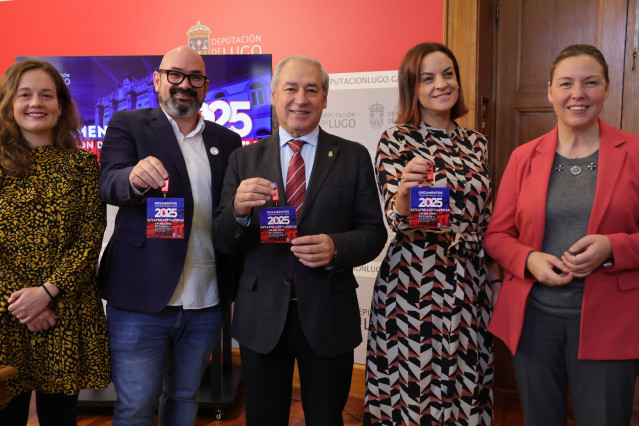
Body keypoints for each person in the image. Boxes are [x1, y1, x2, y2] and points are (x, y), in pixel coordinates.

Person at [212, 55, 387, 425]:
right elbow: (223, 240)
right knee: (264, 418)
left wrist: (336, 248)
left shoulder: (353, 156)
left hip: (327, 313)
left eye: (312, 90)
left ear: (325, 98)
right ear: (274, 95)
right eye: (291, 89)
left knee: (326, 417)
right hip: (262, 315)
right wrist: (238, 212)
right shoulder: (243, 159)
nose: (301, 99)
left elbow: (374, 233)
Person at [486, 44, 639, 425]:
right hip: (534, 322)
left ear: (606, 89)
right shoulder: (525, 157)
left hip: (613, 323)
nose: (578, 94)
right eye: (566, 83)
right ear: (549, 90)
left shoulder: (635, 153)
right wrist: (529, 259)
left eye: (590, 83)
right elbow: (497, 235)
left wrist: (612, 246)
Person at [98, 46, 242, 425]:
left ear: (205, 87)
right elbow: (109, 182)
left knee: (184, 399)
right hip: (139, 299)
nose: (184, 85)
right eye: (175, 75)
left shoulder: (227, 142)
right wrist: (131, 178)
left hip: (205, 301)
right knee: (135, 409)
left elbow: (228, 214)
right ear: (158, 79)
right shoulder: (128, 123)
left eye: (195, 78)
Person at [364, 42, 499, 425]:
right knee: (412, 387)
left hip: (470, 283)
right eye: (428, 78)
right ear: (413, 87)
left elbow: (486, 219)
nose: (441, 84)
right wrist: (405, 197)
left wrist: (494, 280)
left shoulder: (477, 143)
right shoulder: (396, 140)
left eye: (448, 74)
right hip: (413, 283)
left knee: (465, 380)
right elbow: (397, 218)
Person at [0, 59, 110, 425]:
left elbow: (90, 237)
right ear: (9, 103)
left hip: (66, 311)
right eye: (26, 94)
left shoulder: (82, 165)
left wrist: (47, 292)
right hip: (6, 314)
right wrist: (24, 303)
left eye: (47, 95)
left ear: (61, 105)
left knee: (60, 418)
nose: (36, 103)